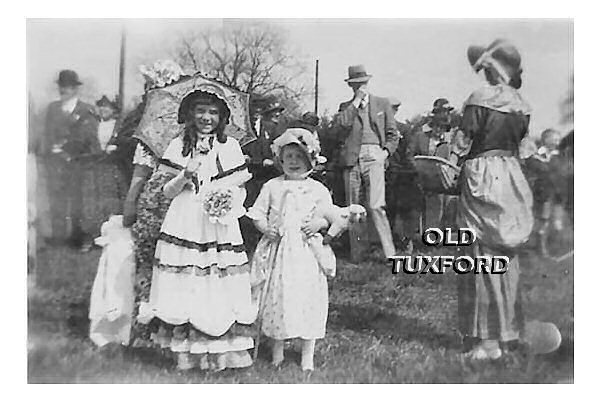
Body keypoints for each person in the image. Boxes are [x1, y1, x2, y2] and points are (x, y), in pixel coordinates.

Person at [137, 86, 256, 372]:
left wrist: (225, 201)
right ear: (189, 114)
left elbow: (239, 188)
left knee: (217, 279)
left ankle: (220, 349)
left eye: (213, 112)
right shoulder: (177, 144)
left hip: (219, 223)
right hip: (186, 218)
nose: (206, 117)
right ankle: (185, 350)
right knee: (186, 277)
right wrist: (185, 174)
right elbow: (166, 192)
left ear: (223, 117)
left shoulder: (230, 147)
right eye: (200, 111)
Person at [457, 39, 534, 360]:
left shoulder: (479, 99)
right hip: (512, 175)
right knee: (506, 252)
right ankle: (508, 333)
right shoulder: (522, 104)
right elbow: (525, 147)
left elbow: (463, 143)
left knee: (478, 252)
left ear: (490, 69)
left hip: (482, 175)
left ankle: (486, 342)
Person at [247, 128, 333, 371]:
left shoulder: (317, 189)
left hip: (306, 252)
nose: (293, 162)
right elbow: (257, 214)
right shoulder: (272, 186)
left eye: (299, 156)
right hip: (279, 251)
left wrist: (319, 223)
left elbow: (329, 215)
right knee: (279, 296)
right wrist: (265, 228)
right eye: (289, 157)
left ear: (310, 160)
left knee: (307, 297)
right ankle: (277, 349)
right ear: (280, 159)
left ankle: (308, 353)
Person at [332, 65, 400, 260]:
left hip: (375, 155)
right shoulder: (346, 107)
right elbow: (341, 126)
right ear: (350, 86)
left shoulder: (381, 103)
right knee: (354, 207)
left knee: (376, 206)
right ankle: (358, 253)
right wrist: (355, 102)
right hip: (352, 158)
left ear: (368, 82)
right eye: (354, 85)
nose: (359, 87)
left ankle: (390, 254)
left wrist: (384, 153)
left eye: (362, 83)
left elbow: (392, 134)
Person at [42, 69, 100, 247]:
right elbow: (47, 133)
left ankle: (77, 237)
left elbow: (88, 137)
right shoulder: (53, 109)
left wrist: (69, 151)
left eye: (67, 86)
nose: (63, 90)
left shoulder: (85, 110)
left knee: (77, 201)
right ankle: (58, 238)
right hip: (56, 162)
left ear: (75, 88)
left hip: (77, 162)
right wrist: (53, 148)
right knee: (56, 200)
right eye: (61, 86)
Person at [79, 95, 129, 251]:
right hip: (94, 167)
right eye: (101, 106)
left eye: (107, 107)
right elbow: (82, 145)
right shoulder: (91, 125)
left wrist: (116, 149)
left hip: (112, 167)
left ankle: (110, 237)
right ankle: (91, 237)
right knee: (91, 202)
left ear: (113, 110)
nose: (103, 110)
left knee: (111, 202)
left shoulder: (119, 127)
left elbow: (126, 144)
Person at [407, 98, 460, 232]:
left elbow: (454, 160)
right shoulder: (420, 136)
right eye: (436, 126)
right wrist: (416, 169)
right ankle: (415, 235)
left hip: (441, 182)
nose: (439, 130)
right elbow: (409, 155)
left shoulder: (450, 141)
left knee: (438, 205)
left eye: (442, 128)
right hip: (420, 179)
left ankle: (432, 236)